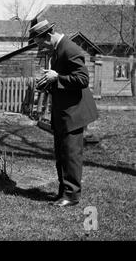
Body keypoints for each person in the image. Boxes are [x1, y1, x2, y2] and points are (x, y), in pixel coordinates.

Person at [29, 20, 98, 207]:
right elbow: (62, 78)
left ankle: (72, 196)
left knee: (71, 155)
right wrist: (48, 83)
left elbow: (83, 79)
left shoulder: (70, 48)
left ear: (49, 36)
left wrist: (57, 77)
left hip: (74, 113)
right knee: (61, 154)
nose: (41, 47)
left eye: (41, 43)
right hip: (63, 112)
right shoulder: (57, 49)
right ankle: (63, 192)